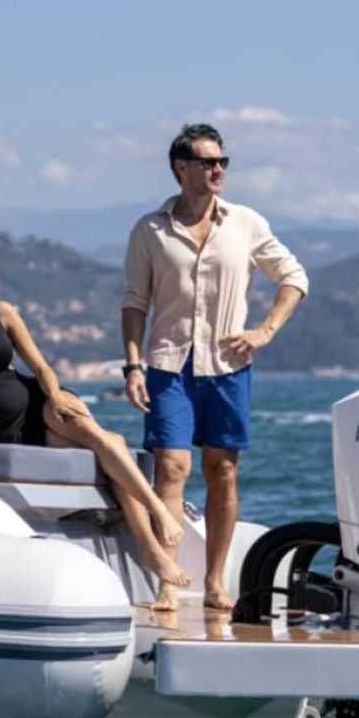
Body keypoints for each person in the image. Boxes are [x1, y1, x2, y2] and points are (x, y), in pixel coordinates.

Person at [0, 229, 191, 599]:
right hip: (7, 427)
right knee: (114, 443)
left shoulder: (2, 312)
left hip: (40, 401)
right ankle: (152, 547)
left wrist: (56, 396)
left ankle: (158, 521)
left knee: (95, 435)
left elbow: (41, 367)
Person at [122, 123, 309, 612]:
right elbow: (135, 301)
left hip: (227, 365)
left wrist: (264, 330)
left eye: (222, 161)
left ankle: (213, 582)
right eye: (208, 162)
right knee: (171, 467)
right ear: (180, 167)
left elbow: (294, 277)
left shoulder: (245, 222)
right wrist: (133, 365)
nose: (218, 169)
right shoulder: (149, 230)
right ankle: (167, 582)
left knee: (221, 471)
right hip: (168, 364)